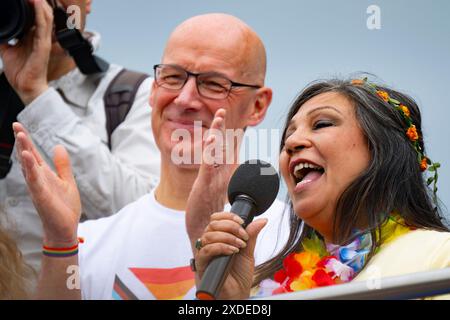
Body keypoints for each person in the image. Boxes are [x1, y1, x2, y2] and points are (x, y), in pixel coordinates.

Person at [12, 13, 290, 299]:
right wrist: (59, 242)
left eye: (213, 84)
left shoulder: (294, 237)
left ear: (258, 105)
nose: (184, 99)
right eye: (172, 77)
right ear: (154, 89)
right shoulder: (86, 244)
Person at [193, 77, 450, 300]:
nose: (291, 142)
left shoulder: (439, 256)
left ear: (382, 150)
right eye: (287, 137)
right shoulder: (261, 288)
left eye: (322, 124)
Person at [0, 0, 160, 275]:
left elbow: (141, 219)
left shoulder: (132, 94)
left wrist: (37, 95)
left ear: (86, 4)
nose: (46, 11)